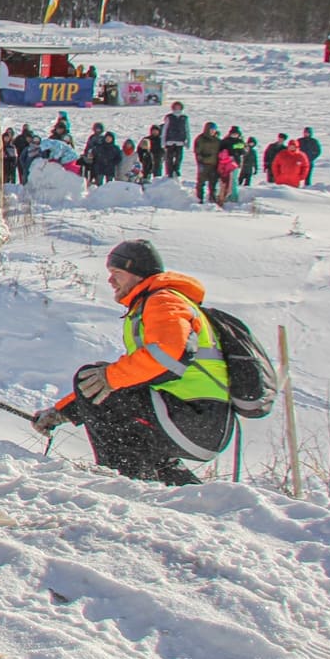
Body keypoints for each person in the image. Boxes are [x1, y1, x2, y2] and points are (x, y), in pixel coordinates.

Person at [30, 240, 231, 487]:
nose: (111, 281)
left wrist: (105, 381)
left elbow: (168, 355)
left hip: (195, 415)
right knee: (105, 386)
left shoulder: (164, 300)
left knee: (95, 379)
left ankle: (125, 486)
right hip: (196, 417)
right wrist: (64, 411)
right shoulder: (153, 303)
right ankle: (183, 492)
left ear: (138, 274)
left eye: (117, 274)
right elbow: (131, 374)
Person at [192, 121, 222, 204]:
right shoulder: (200, 139)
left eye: (213, 130)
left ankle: (212, 199)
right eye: (210, 130)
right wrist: (202, 159)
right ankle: (199, 199)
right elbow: (197, 151)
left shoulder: (217, 140)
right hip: (203, 164)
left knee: (213, 183)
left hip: (214, 165)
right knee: (201, 183)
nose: (212, 131)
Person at [160, 101, 190, 180]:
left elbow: (187, 130)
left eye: (179, 107)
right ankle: (169, 172)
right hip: (170, 141)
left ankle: (176, 170)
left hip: (180, 141)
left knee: (179, 157)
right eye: (176, 107)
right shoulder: (169, 117)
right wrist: (163, 141)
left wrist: (188, 141)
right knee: (169, 158)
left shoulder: (184, 118)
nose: (177, 109)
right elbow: (165, 129)